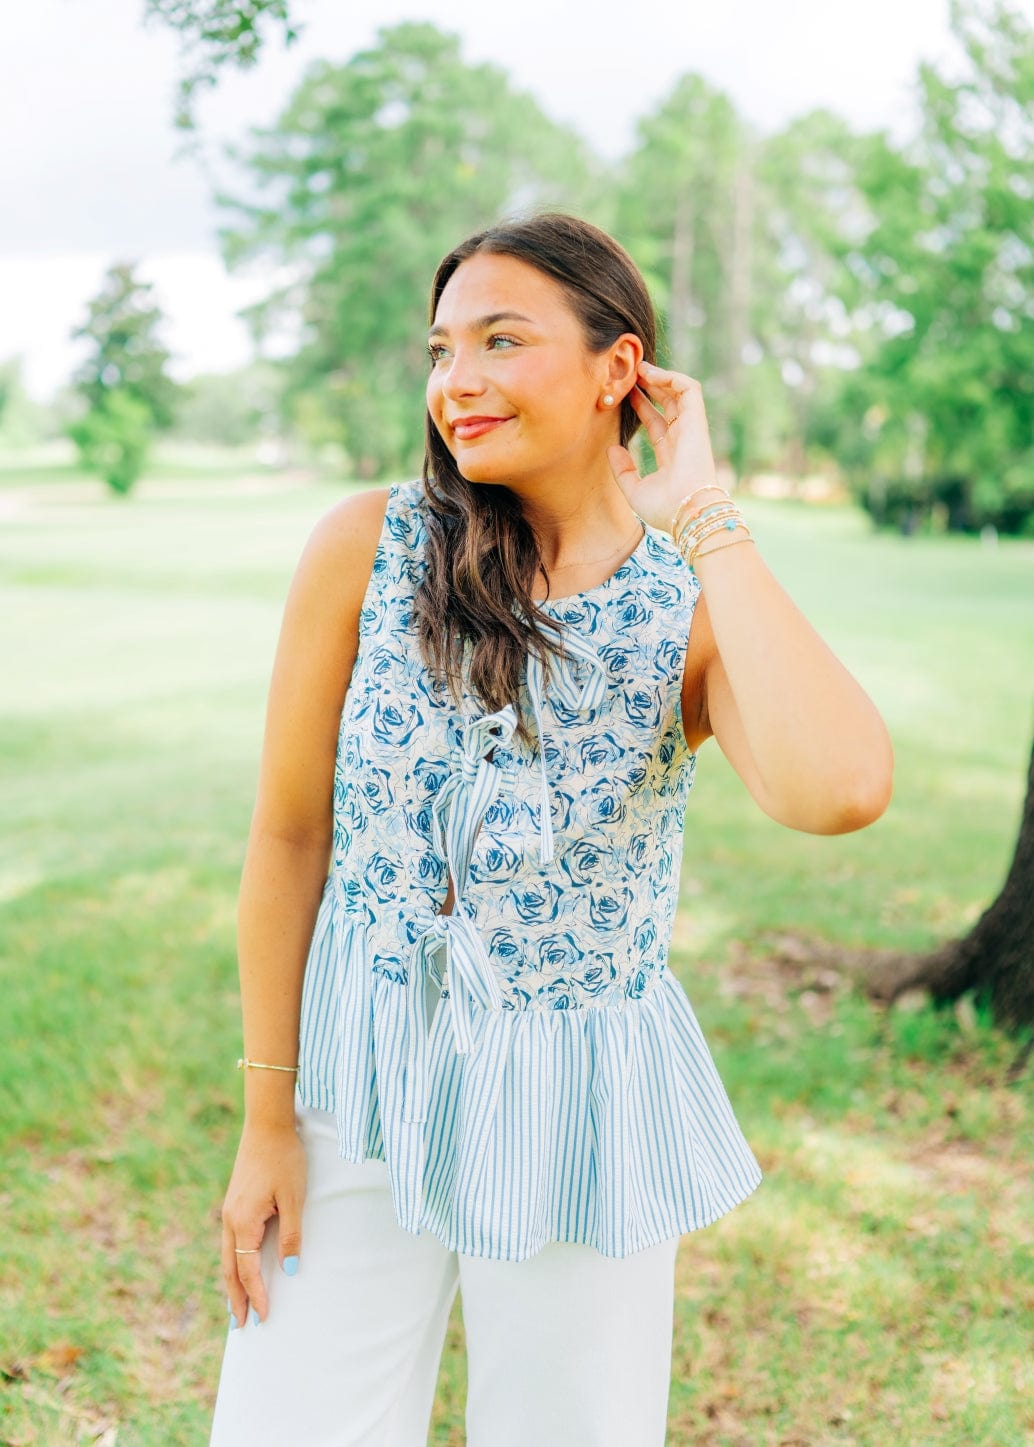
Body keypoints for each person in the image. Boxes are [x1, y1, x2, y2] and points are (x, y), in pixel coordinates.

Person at [208, 212, 893, 1447]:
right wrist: (267, 1119)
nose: (454, 382)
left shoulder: (683, 608)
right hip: (355, 1073)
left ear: (615, 370)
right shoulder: (367, 549)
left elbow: (836, 787)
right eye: (439, 349)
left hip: (577, 1102)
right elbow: (288, 839)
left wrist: (706, 516)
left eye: (499, 340)